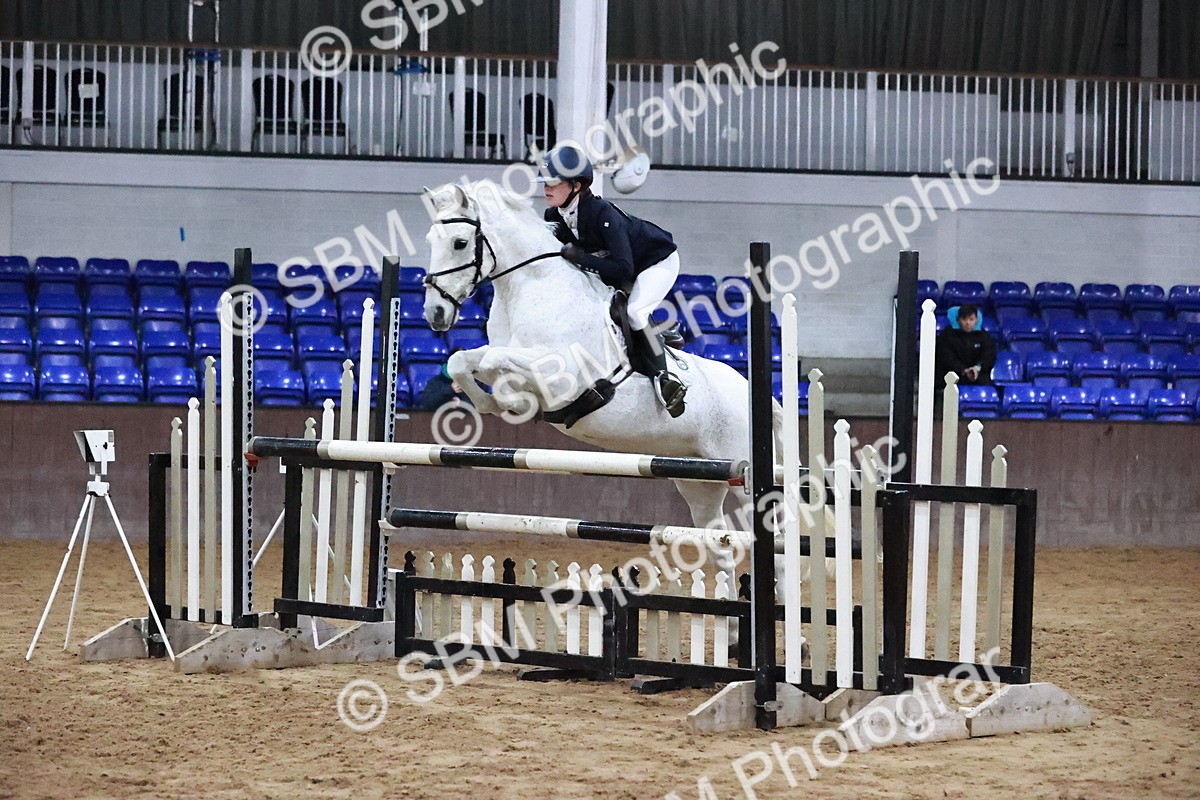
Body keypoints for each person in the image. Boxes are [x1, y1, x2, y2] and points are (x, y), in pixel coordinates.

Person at [538, 145, 687, 417]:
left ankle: (665, 379)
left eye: (552, 183)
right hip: (618, 267)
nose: (546, 188)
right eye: (545, 182)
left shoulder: (602, 214)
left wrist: (580, 257)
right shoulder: (554, 216)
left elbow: (622, 268)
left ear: (576, 185)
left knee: (636, 311)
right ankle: (660, 332)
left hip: (654, 262)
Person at [934, 304, 997, 387]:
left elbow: (989, 356)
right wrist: (963, 370)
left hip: (979, 377)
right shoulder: (947, 335)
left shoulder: (984, 336)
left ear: (976, 320)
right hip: (952, 377)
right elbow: (946, 357)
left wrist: (977, 368)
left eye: (971, 319)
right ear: (958, 320)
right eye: (964, 319)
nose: (968, 323)